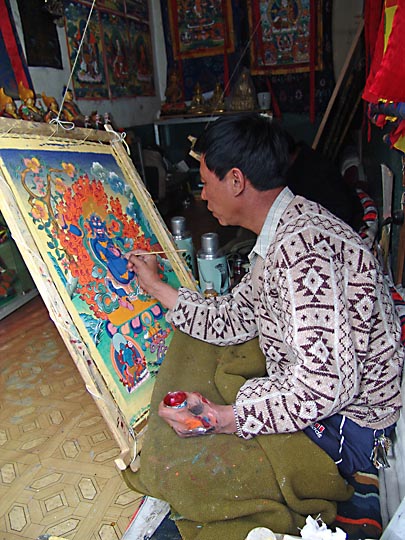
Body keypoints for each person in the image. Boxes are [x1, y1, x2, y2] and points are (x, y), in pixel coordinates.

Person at [126, 113, 403, 479]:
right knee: (214, 359)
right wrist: (158, 289)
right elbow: (235, 317)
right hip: (331, 394)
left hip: (355, 428)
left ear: (237, 181)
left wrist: (226, 419)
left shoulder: (302, 253)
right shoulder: (286, 224)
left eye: (207, 183)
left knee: (197, 474)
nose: (203, 195)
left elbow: (323, 387)